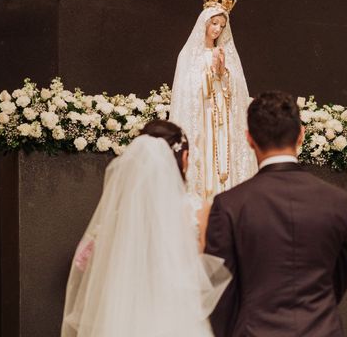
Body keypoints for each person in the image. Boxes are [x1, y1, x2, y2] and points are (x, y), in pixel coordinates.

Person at [206, 91, 347, 337]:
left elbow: (221, 293)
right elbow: (339, 281)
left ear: (249, 139)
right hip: (322, 329)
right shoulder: (337, 201)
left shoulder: (229, 205)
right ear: (301, 135)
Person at [61, 120, 230, 337]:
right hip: (177, 314)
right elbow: (200, 271)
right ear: (184, 158)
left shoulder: (120, 214)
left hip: (125, 313)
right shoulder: (196, 210)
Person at [170, 0, 257, 200]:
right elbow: (186, 89)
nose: (217, 29)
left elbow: (237, 92)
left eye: (222, 25)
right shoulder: (189, 55)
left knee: (223, 156)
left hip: (223, 120)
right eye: (214, 23)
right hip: (203, 116)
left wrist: (223, 72)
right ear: (205, 23)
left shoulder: (226, 55)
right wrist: (210, 73)